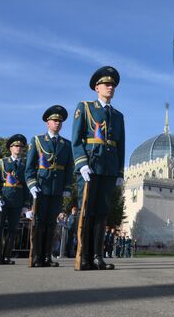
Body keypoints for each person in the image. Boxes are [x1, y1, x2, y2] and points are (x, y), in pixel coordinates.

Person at [72, 66, 125, 271]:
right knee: (86, 211)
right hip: (90, 166)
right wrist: (81, 163)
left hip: (109, 168)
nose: (110, 87)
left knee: (102, 213)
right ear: (97, 87)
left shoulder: (118, 115)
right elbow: (76, 140)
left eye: (112, 85)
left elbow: (120, 144)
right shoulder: (85, 108)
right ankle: (84, 255)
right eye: (106, 84)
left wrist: (119, 171)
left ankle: (96, 256)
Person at [25, 105, 73, 267]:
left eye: (60, 121)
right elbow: (30, 167)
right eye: (54, 120)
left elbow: (69, 168)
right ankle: (37, 256)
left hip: (57, 189)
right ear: (47, 122)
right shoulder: (38, 141)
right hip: (41, 187)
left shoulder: (66, 144)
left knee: (51, 224)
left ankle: (47, 256)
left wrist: (67, 187)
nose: (57, 123)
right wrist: (31, 184)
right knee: (39, 223)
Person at [0, 134, 31, 265]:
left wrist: (26, 204)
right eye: (16, 146)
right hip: (3, 200)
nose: (19, 148)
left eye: (21, 146)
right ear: (10, 148)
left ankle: (7, 256)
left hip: (17, 201)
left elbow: (25, 186)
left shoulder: (24, 165)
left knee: (13, 230)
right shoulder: (1, 162)